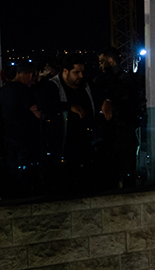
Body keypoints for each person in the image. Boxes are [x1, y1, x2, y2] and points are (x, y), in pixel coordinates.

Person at [37, 53, 108, 194]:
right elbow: (44, 105)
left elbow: (102, 93)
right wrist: (69, 107)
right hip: (61, 145)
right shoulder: (52, 86)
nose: (80, 76)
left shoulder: (87, 85)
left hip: (86, 143)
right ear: (65, 71)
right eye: (76, 72)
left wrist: (107, 101)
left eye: (82, 72)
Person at [94, 47, 143, 188]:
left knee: (118, 170)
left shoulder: (117, 82)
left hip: (118, 132)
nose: (100, 65)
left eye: (102, 62)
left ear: (110, 61)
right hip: (121, 132)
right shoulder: (125, 80)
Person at [0, 61, 41, 196]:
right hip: (24, 136)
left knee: (13, 167)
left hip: (8, 134)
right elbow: (36, 112)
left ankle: (13, 193)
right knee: (26, 169)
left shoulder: (4, 90)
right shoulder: (23, 90)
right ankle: (26, 194)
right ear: (30, 74)